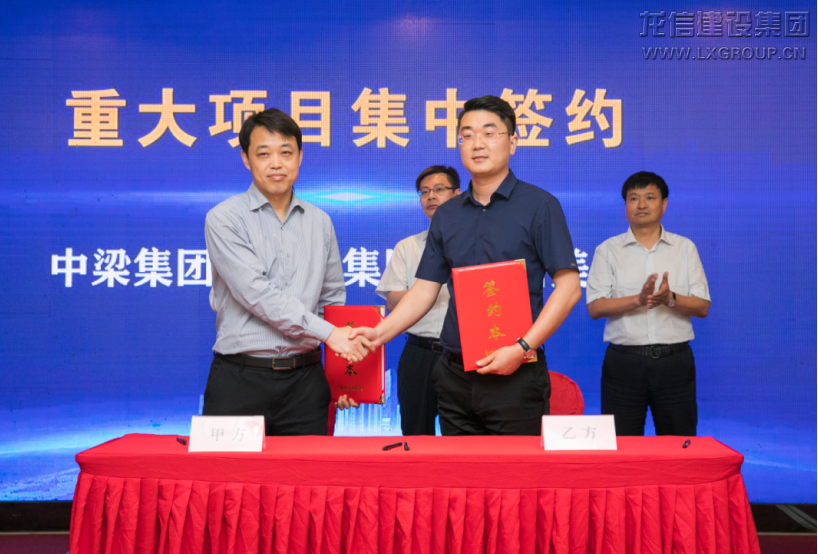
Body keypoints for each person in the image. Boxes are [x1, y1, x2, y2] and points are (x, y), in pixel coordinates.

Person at [350, 96, 582, 435]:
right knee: (459, 470)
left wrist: (522, 348)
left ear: (512, 142)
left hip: (516, 373)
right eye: (467, 135)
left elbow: (569, 288)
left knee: (514, 470)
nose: (477, 143)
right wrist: (379, 334)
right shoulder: (447, 215)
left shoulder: (539, 205)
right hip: (455, 375)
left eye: (489, 133)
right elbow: (424, 292)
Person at [203, 108, 367, 436]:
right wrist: (330, 334)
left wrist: (342, 378)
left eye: (286, 153)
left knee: (306, 471)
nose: (276, 164)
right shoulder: (224, 218)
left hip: (306, 383)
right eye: (263, 154)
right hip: (239, 380)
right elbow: (256, 293)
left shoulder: (320, 221)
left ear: (300, 157)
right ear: (246, 159)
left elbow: (332, 299)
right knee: (229, 472)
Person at [586, 171, 711, 436]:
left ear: (664, 204)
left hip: (674, 363)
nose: (641, 205)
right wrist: (638, 300)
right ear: (625, 205)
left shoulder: (684, 248)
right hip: (624, 364)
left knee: (679, 442)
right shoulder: (607, 250)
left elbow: (702, 307)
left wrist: (671, 299)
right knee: (621, 445)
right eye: (634, 198)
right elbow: (595, 308)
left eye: (650, 198)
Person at [376, 166, 461, 435]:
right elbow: (392, 301)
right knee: (414, 434)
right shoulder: (408, 247)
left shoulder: (476, 245)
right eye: (424, 192)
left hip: (462, 354)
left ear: (458, 195)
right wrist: (426, 290)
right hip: (419, 353)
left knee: (461, 435)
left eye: (439, 190)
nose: (431, 196)